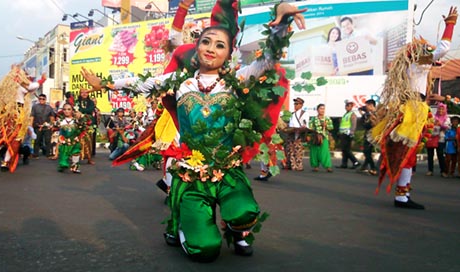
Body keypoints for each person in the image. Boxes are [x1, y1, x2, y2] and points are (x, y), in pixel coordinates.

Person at [81, 0, 307, 261]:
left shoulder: (237, 80)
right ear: (197, 47)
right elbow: (140, 84)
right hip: (191, 174)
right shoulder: (179, 82)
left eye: (220, 45)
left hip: (227, 170)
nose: (211, 49)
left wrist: (282, 22)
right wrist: (106, 84)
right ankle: (185, 227)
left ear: (229, 52)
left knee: (244, 211)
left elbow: (268, 60)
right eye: (206, 42)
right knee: (204, 250)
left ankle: (238, 232)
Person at [370, 6, 457, 209]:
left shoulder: (412, 66)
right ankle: (402, 196)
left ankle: (403, 193)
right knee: (409, 154)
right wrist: (450, 25)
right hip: (414, 110)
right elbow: (443, 48)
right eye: (426, 49)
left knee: (409, 154)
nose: (429, 51)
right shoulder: (419, 63)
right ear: (418, 54)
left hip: (412, 108)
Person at [56, 103, 85, 173]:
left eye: (69, 109)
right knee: (64, 154)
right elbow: (58, 131)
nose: (66, 111)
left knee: (76, 151)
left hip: (74, 139)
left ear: (72, 110)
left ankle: (74, 166)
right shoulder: (61, 121)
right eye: (65, 109)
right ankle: (62, 165)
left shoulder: (76, 120)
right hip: (65, 140)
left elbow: (82, 128)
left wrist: (80, 118)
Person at [283, 97, 310, 171]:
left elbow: (305, 123)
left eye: (297, 104)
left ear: (301, 105)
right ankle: (292, 165)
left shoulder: (304, 113)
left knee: (298, 150)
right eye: (295, 104)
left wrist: (303, 127)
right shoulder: (292, 114)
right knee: (290, 149)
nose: (295, 105)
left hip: (299, 133)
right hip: (291, 132)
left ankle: (299, 166)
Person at [425, 103, 449, 177]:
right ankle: (430, 170)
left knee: (440, 155)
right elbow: (428, 125)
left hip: (440, 139)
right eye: (439, 109)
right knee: (430, 155)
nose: (441, 110)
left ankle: (443, 171)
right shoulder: (433, 117)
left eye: (442, 109)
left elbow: (448, 127)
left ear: (445, 110)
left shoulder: (447, 118)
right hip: (431, 138)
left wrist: (440, 124)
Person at [309, 103, 334, 172]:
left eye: (323, 109)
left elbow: (331, 127)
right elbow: (310, 127)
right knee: (314, 152)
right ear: (317, 110)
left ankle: (327, 166)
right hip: (315, 137)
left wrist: (326, 126)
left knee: (324, 152)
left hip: (324, 137)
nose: (322, 110)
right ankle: (315, 166)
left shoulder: (327, 118)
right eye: (321, 108)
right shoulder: (313, 119)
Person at [30, 94, 56, 158]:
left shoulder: (49, 107)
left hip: (47, 126)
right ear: (38, 99)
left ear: (45, 99)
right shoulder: (35, 107)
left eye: (43, 99)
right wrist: (30, 125)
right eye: (40, 99)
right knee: (37, 140)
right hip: (37, 126)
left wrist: (52, 125)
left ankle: (48, 154)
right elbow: (32, 116)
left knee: (48, 140)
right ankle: (35, 154)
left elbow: (52, 117)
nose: (41, 100)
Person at [337, 100, 360, 169]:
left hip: (348, 134)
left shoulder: (352, 114)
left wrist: (352, 133)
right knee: (344, 149)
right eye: (346, 106)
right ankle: (344, 164)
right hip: (343, 133)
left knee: (346, 149)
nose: (347, 107)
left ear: (351, 107)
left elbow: (353, 125)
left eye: (348, 106)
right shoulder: (345, 114)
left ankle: (355, 162)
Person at [76, 89, 96, 165]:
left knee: (88, 140)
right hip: (78, 123)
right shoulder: (77, 101)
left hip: (88, 123)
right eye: (82, 92)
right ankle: (76, 157)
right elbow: (75, 109)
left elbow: (90, 110)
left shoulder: (90, 102)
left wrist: (81, 111)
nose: (84, 94)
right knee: (77, 140)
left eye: (86, 92)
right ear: (80, 93)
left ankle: (89, 158)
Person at [359, 99, 377, 175]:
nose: (365, 107)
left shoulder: (377, 113)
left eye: (367, 106)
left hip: (374, 135)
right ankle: (364, 167)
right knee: (367, 151)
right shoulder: (367, 114)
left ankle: (373, 168)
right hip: (368, 134)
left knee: (367, 151)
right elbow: (364, 123)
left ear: (371, 105)